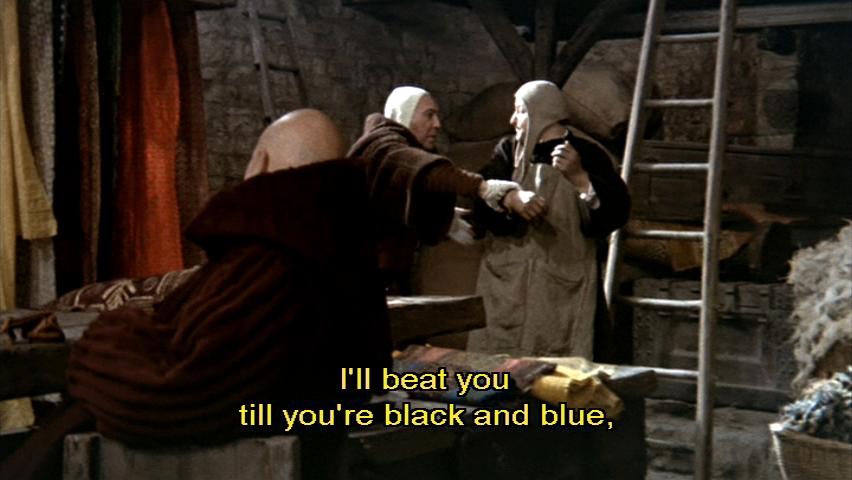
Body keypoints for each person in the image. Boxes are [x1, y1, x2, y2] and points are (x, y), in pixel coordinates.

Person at [1, 110, 392, 479]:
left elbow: (177, 389)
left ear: (261, 163)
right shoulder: (346, 259)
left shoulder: (274, 261)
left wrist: (107, 338)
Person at [466, 80, 630, 360]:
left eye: (520, 111)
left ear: (542, 113)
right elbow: (480, 200)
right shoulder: (508, 151)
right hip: (508, 285)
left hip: (561, 288)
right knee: (497, 362)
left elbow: (616, 213)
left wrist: (580, 179)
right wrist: (508, 199)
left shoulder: (587, 153)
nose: (512, 120)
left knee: (556, 367)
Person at [348, 85, 539, 293]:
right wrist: (486, 188)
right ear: (405, 115)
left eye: (437, 116)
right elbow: (426, 169)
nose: (437, 124)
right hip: (362, 278)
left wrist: (442, 218)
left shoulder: (391, 152)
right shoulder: (386, 148)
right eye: (429, 115)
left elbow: (397, 198)